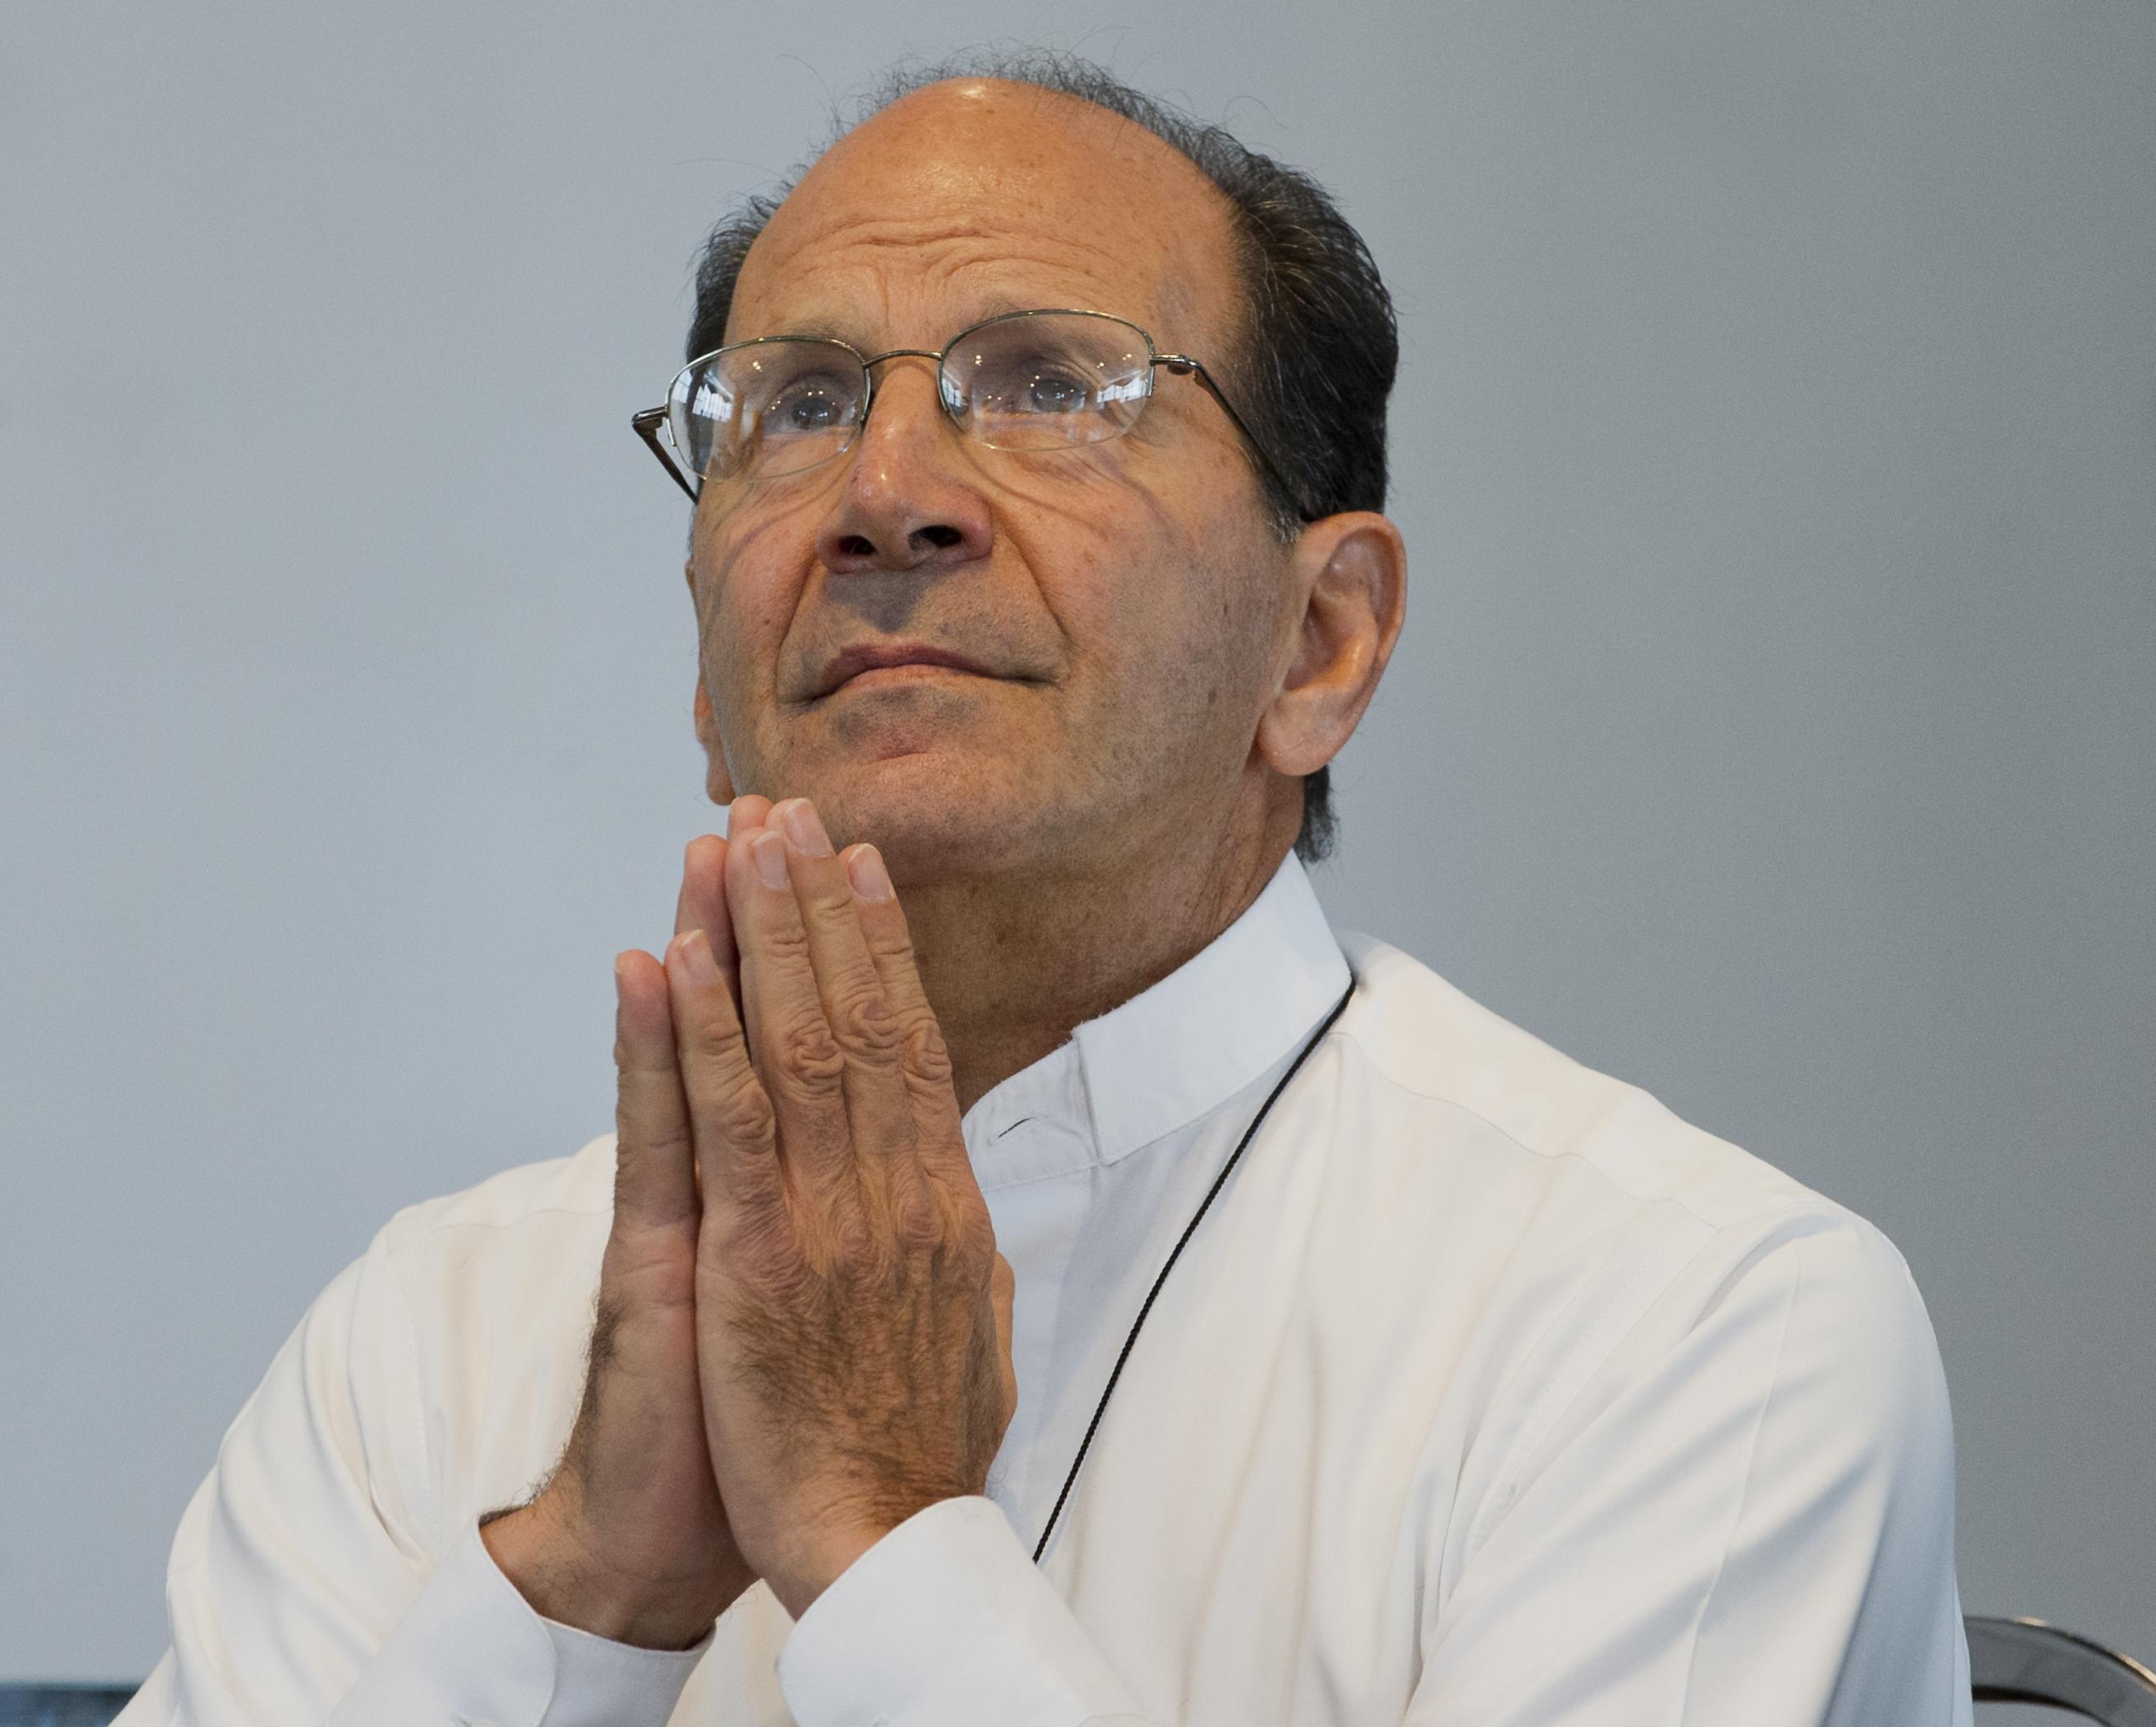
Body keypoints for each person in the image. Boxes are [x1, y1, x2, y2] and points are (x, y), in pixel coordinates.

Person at [116, 51, 1970, 1727]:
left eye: (1054, 386)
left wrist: (882, 1543)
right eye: (796, 403)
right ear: (708, 675)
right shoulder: (433, 1328)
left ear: (1319, 643)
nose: (888, 490)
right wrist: (589, 1589)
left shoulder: (1689, 1329)